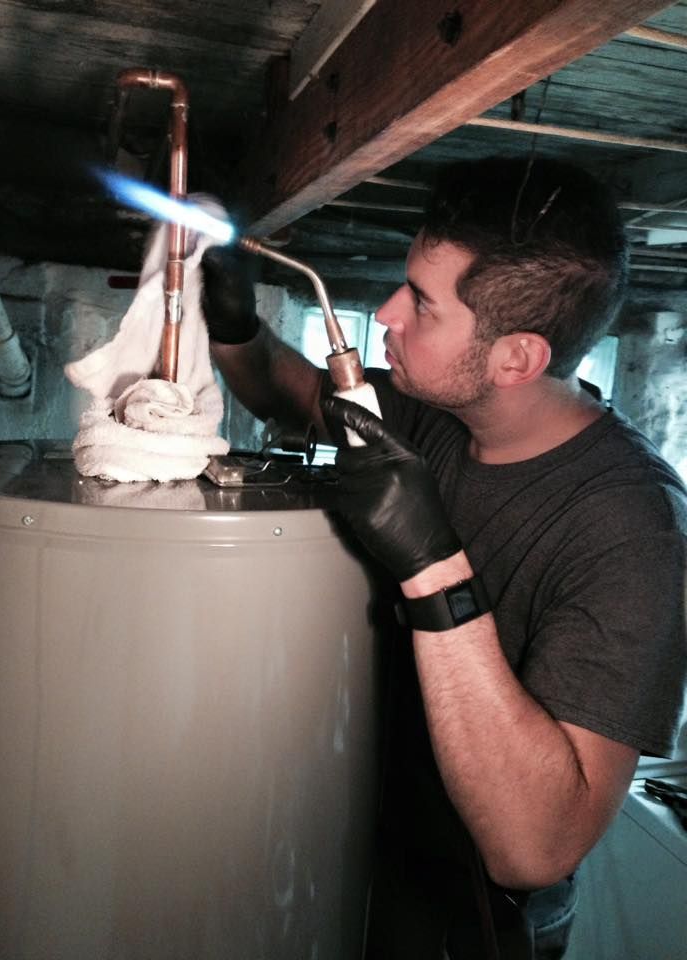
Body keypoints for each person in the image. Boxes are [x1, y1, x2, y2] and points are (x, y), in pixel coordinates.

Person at [202, 156, 687, 959]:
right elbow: (295, 395)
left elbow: (535, 848)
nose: (388, 312)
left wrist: (433, 566)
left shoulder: (633, 530)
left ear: (516, 359)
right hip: (362, 843)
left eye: (422, 303)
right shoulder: (433, 410)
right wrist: (235, 326)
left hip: (469, 916)